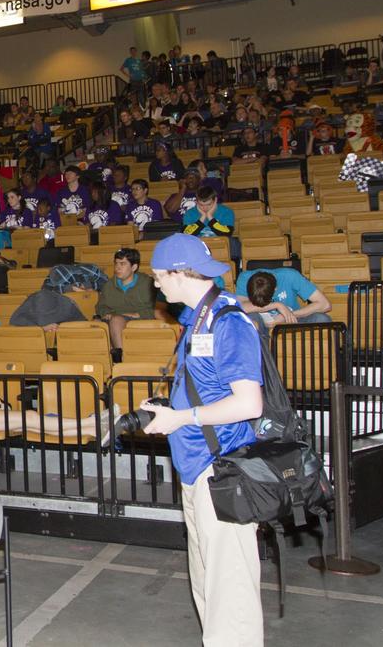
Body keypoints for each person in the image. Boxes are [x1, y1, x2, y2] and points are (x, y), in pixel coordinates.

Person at [140, 234, 265, 647]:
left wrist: (182, 417)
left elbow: (249, 403)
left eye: (160, 276)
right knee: (209, 581)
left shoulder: (228, 321)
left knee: (231, 588)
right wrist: (168, 410)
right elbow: (205, 388)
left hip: (222, 468)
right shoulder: (198, 317)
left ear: (179, 273)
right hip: (196, 467)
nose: (157, 285)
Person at [95, 248, 157, 351]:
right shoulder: (109, 285)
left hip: (140, 319)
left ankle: (120, 357)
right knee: (96, 323)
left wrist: (139, 314)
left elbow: (158, 309)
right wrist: (106, 313)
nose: (117, 268)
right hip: (115, 317)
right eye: (116, 264)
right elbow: (100, 306)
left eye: (122, 264)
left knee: (116, 321)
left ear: (134, 267)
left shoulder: (148, 284)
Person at [234, 266, 332, 328]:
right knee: (249, 319)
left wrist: (287, 315)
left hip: (291, 319)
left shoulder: (290, 275)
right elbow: (239, 307)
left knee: (322, 318)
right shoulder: (244, 278)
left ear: (276, 289)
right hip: (261, 322)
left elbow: (325, 305)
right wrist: (277, 305)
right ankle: (265, 358)